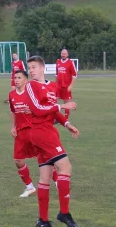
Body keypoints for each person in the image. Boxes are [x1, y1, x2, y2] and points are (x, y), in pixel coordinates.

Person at [25, 56, 79, 227]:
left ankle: (43, 220)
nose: (31, 71)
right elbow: (38, 109)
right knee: (65, 166)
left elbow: (53, 110)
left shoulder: (53, 86)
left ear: (42, 68)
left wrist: (67, 123)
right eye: (29, 68)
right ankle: (64, 213)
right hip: (41, 133)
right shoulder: (31, 86)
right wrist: (64, 105)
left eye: (33, 67)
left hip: (48, 131)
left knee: (45, 177)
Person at [9, 70, 75, 198]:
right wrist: (13, 127)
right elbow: (13, 111)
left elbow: (47, 110)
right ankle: (30, 187)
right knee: (18, 160)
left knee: (47, 158)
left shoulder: (33, 93)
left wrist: (66, 123)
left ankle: (57, 182)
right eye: (15, 78)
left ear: (26, 80)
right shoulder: (12, 95)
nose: (16, 80)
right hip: (21, 132)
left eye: (19, 78)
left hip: (35, 130)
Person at [56, 49, 77, 120]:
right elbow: (57, 74)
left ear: (67, 55)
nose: (63, 55)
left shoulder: (70, 62)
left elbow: (74, 75)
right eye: (62, 53)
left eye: (65, 54)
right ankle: (55, 117)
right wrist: (55, 85)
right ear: (60, 54)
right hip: (58, 86)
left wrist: (71, 85)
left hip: (66, 86)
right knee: (54, 101)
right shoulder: (58, 61)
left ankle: (65, 119)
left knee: (66, 102)